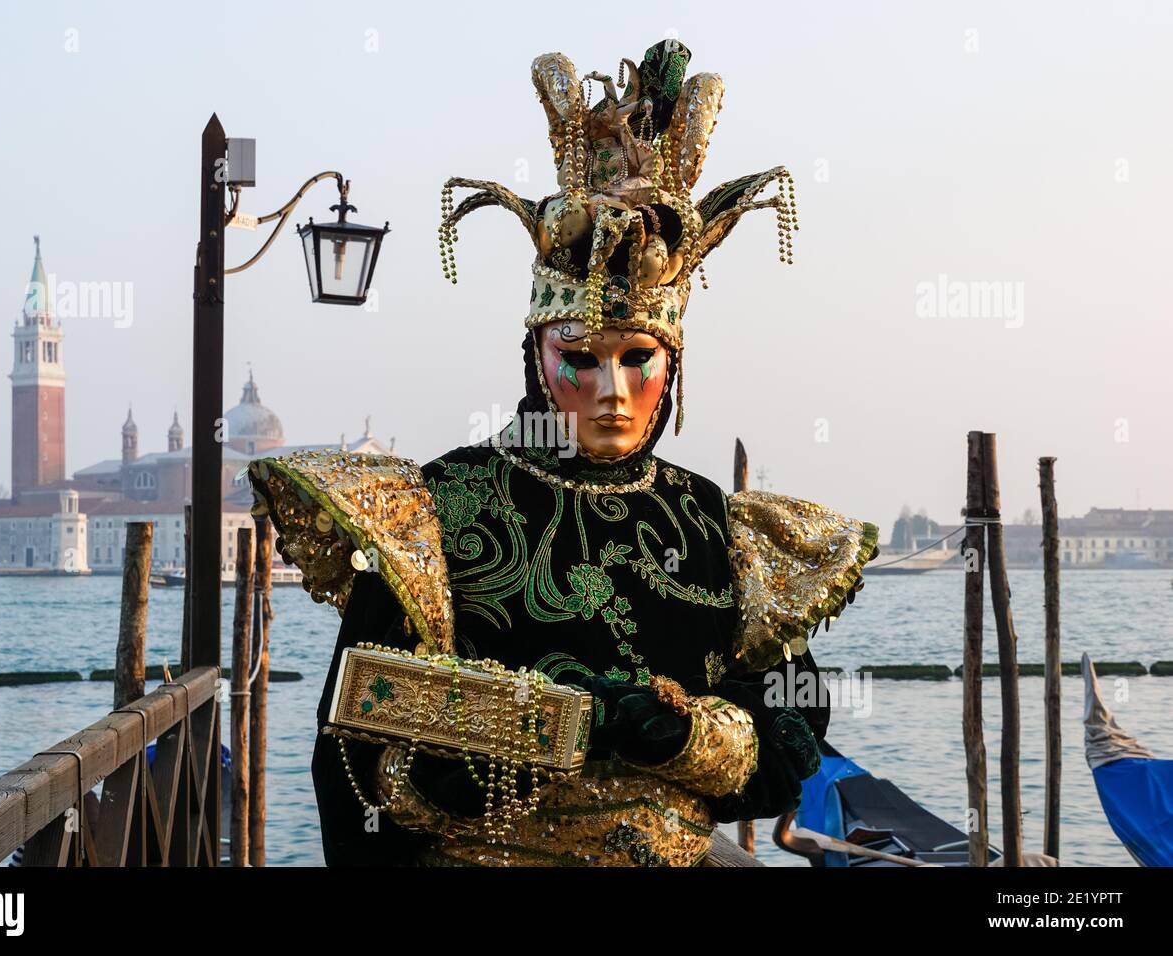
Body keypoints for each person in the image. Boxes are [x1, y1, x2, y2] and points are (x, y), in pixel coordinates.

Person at [248, 39, 878, 867]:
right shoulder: (442, 504)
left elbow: (794, 725)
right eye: (582, 358)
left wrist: (691, 738)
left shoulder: (712, 522)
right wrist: (560, 725)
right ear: (537, 356)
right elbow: (355, 745)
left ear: (674, 364)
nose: (612, 390)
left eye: (637, 358)